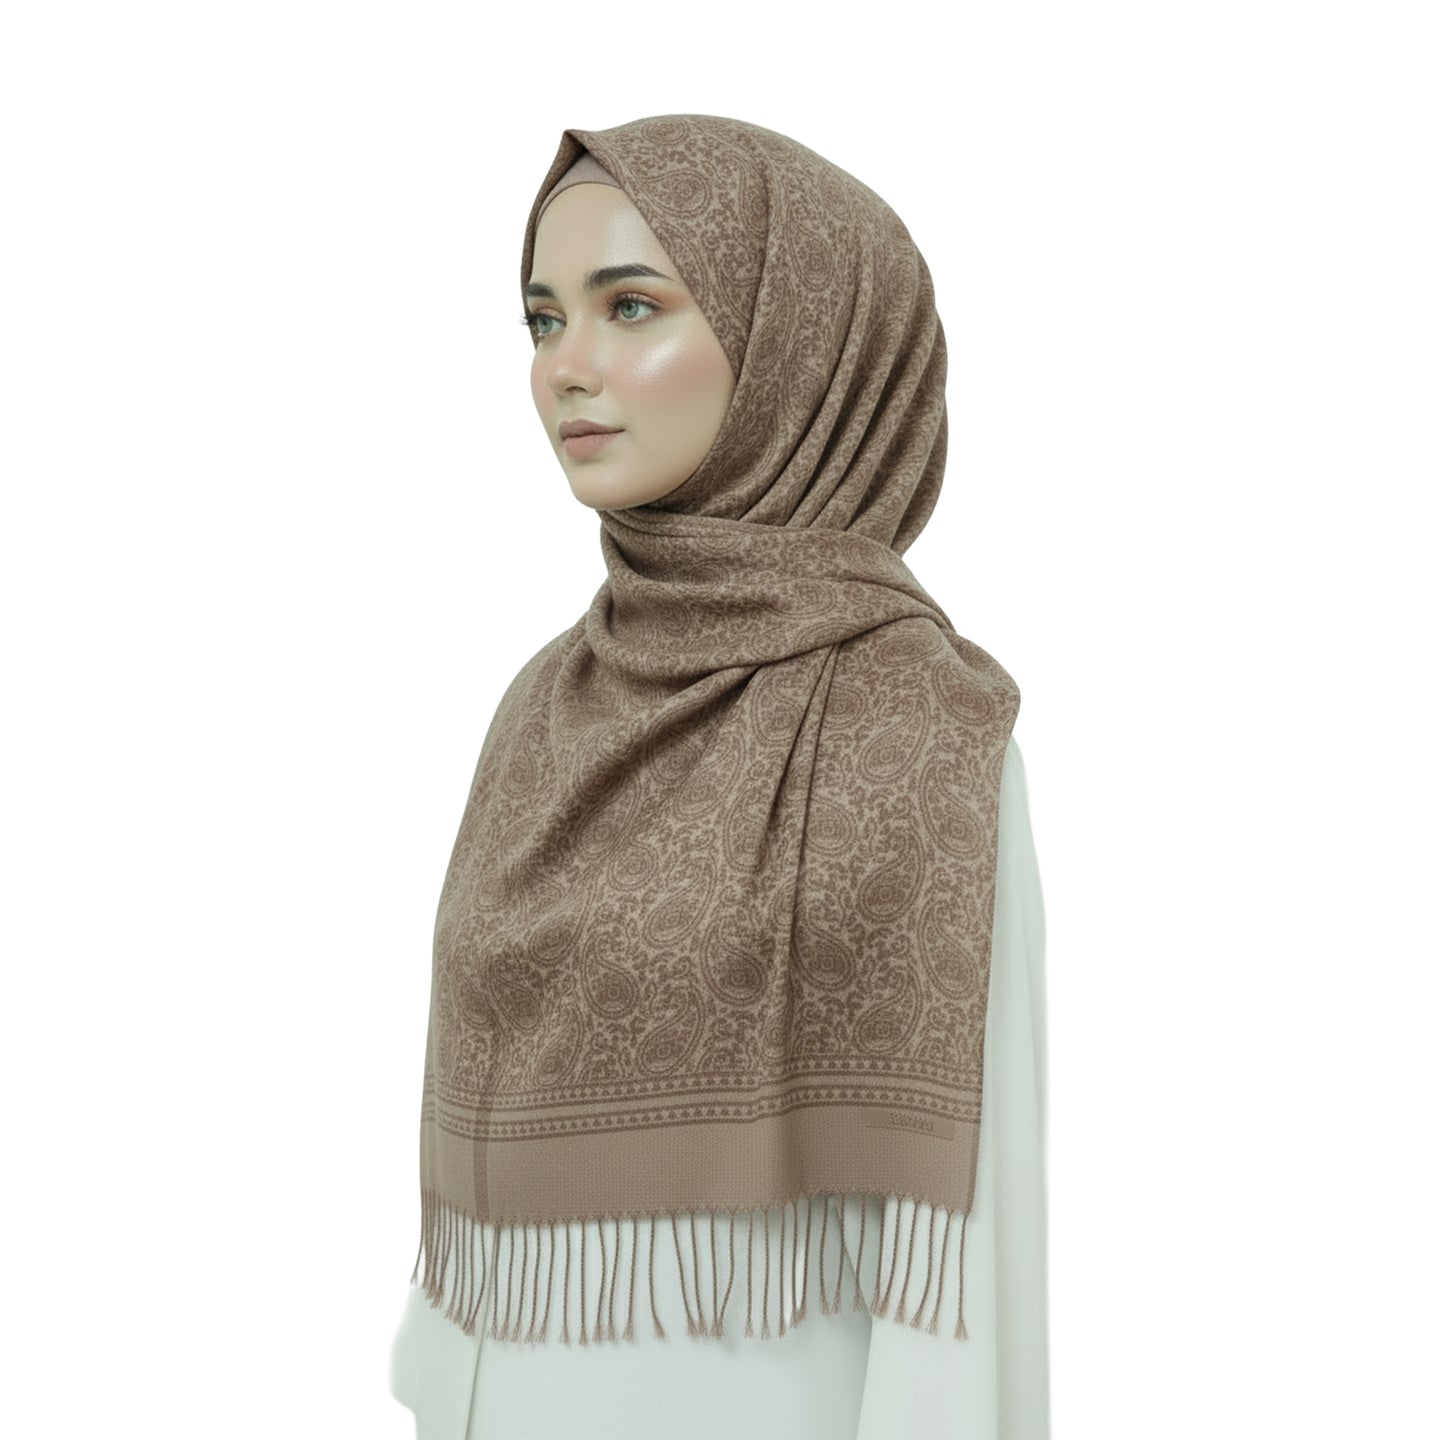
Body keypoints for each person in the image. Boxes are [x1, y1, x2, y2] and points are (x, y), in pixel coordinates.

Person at [389, 114, 1050, 1439]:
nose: (568, 368)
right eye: (542, 320)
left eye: (630, 306)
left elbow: (966, 1273)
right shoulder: (545, 707)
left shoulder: (917, 728)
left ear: (801, 341)